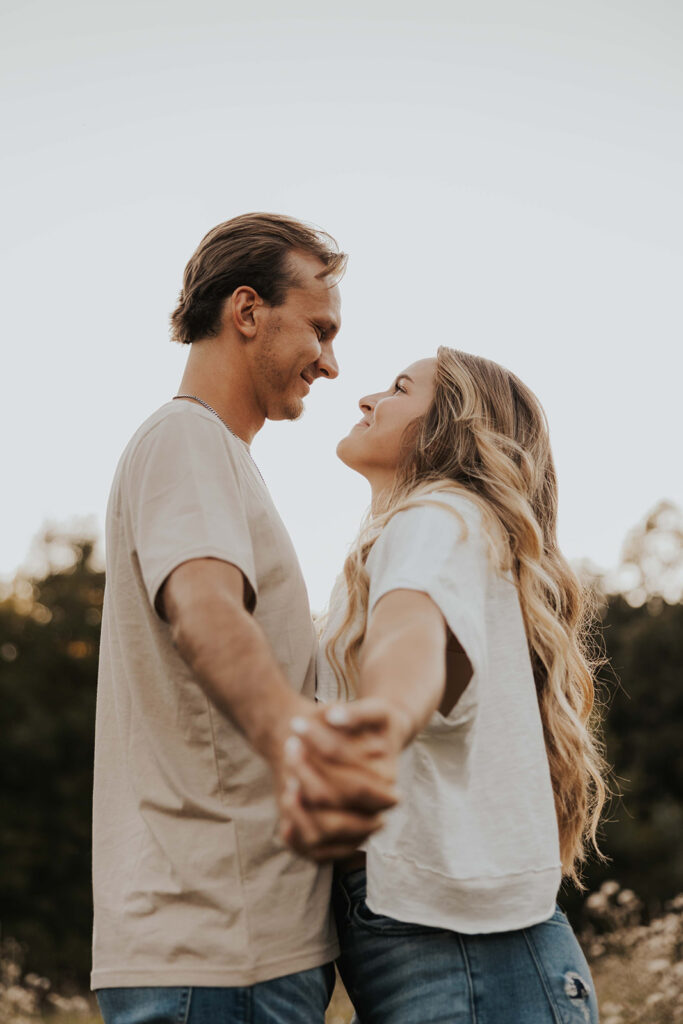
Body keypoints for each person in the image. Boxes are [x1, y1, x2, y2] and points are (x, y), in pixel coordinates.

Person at [91, 212, 398, 1024]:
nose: (330, 364)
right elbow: (202, 611)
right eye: (320, 330)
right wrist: (299, 746)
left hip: (237, 952)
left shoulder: (214, 456)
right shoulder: (185, 441)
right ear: (248, 311)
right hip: (216, 956)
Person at [282, 348, 608, 1023]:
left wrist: (378, 724)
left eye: (399, 388)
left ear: (449, 429)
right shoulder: (430, 534)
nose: (366, 398)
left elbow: (411, 640)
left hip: (470, 964)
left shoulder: (437, 515)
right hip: (457, 957)